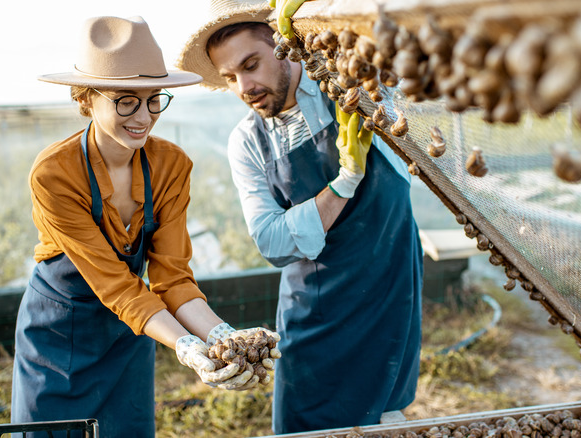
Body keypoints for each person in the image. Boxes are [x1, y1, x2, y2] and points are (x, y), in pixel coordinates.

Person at [11, 15, 279, 438]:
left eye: (154, 98)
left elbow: (172, 279)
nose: (143, 116)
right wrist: (186, 344)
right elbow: (113, 282)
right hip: (60, 332)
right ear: (86, 99)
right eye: (125, 100)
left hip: (132, 328)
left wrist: (224, 339)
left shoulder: (171, 165)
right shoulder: (54, 174)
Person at [178, 0, 424, 434]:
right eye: (231, 77)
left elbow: (404, 52)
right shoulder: (248, 142)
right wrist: (345, 182)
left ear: (282, 45)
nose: (245, 86)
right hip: (313, 301)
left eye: (251, 64)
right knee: (304, 419)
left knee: (385, 415)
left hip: (388, 282)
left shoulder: (349, 88)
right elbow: (273, 242)